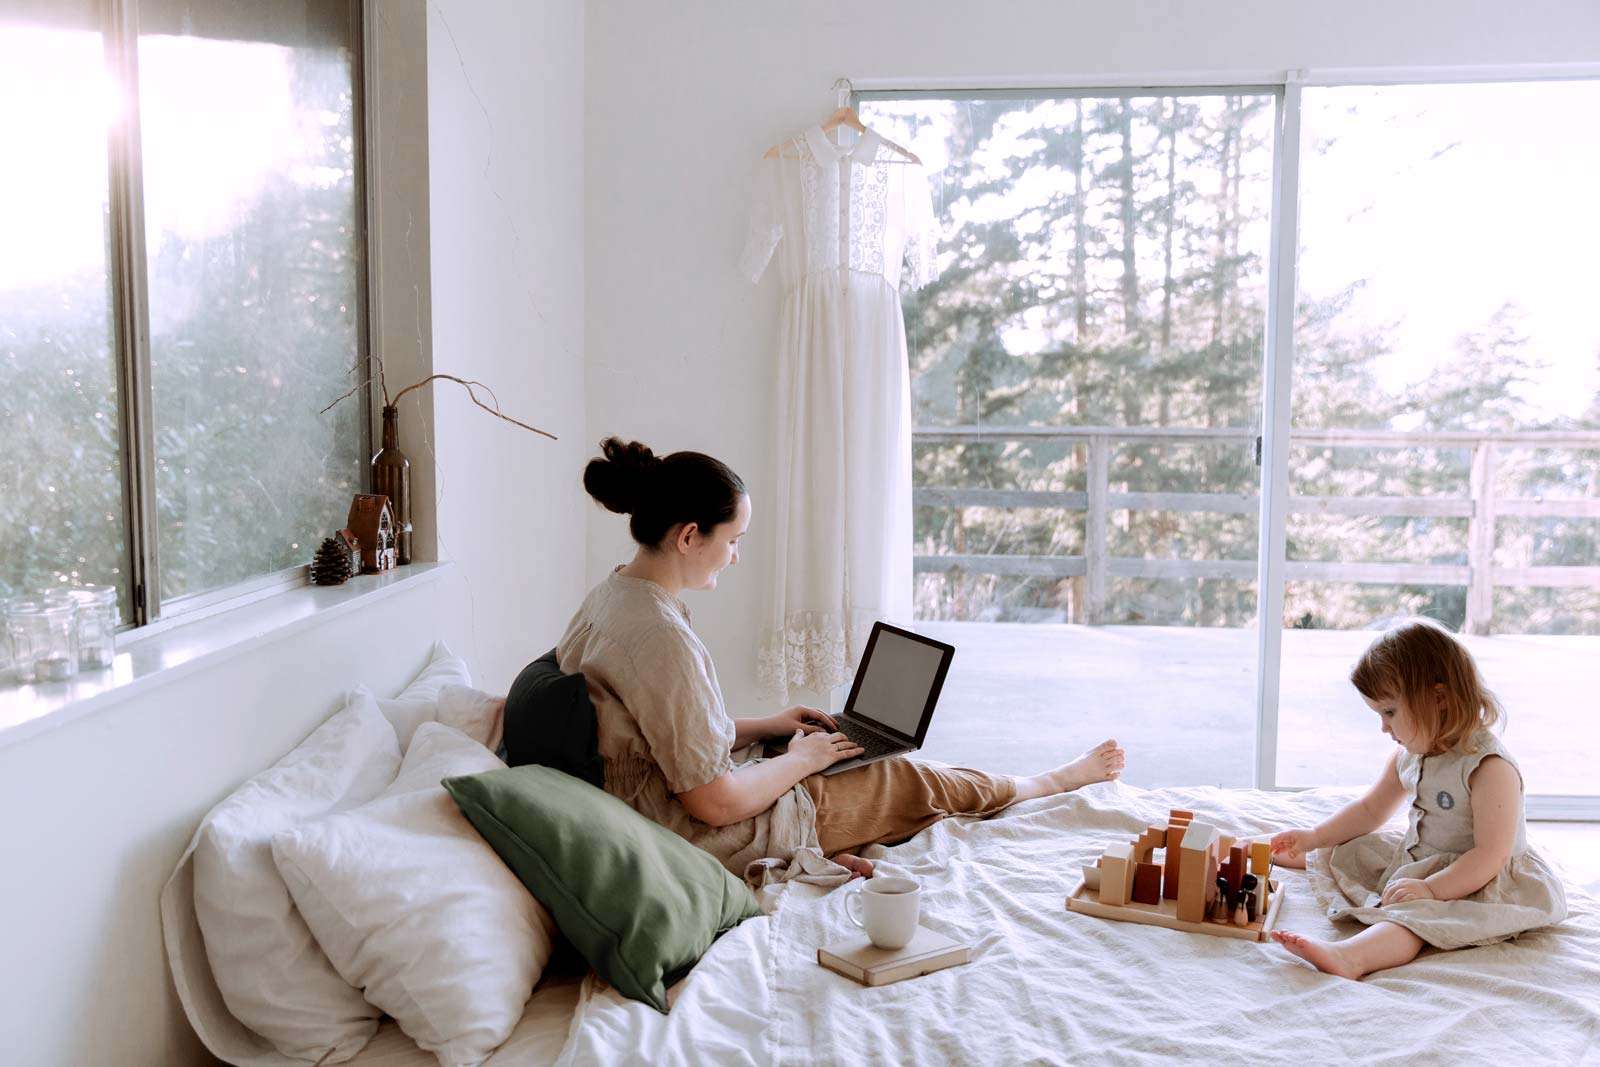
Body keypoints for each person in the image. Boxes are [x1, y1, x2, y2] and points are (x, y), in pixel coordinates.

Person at [557, 437, 1126, 886]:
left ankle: (824, 770)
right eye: (734, 540)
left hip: (659, 800)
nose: (736, 557)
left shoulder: (614, 597)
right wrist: (801, 762)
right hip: (694, 832)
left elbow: (663, 734)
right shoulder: (662, 637)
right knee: (903, 776)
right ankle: (1045, 782)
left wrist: (771, 728)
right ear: (688, 537)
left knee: (826, 749)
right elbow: (714, 801)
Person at [1268, 617, 1567, 979]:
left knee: (1415, 918)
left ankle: (1352, 957)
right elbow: (1369, 809)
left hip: (1476, 877)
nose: (1384, 727)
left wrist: (1430, 888)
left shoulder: (1488, 768)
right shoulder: (1411, 754)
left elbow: (1491, 854)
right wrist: (1315, 838)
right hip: (1425, 858)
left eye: (1389, 712)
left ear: (1438, 699)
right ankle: (1301, 857)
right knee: (1351, 847)